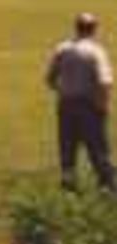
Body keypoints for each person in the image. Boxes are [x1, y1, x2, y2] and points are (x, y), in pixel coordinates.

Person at [45, 12, 115, 192]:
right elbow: (105, 82)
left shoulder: (62, 49)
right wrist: (104, 105)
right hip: (89, 106)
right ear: (94, 29)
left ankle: (69, 183)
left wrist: (64, 91)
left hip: (66, 105)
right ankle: (106, 185)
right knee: (98, 147)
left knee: (67, 146)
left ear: (76, 27)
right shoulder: (96, 52)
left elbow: (50, 79)